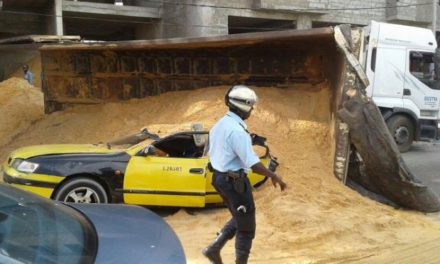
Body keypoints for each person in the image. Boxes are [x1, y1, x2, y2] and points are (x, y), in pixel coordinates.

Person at [203, 85, 287, 264]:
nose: (252, 110)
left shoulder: (219, 125)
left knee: (239, 217)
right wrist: (274, 175)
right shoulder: (237, 131)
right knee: (247, 228)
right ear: (245, 106)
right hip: (234, 183)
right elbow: (253, 164)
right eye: (251, 106)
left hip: (219, 179)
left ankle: (214, 248)